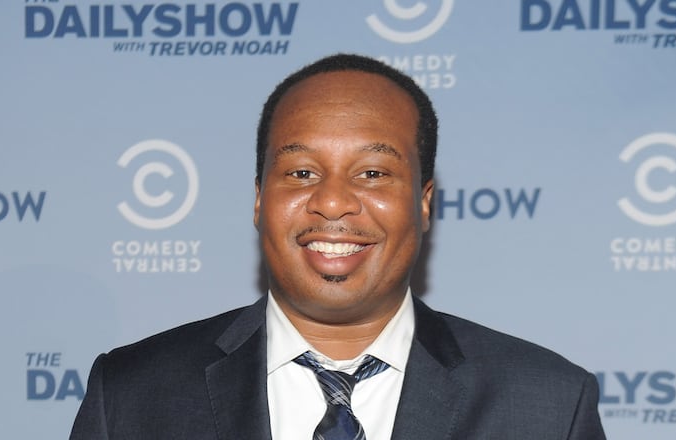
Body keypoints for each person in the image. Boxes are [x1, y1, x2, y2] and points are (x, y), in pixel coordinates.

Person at [70, 53, 606, 439]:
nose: (331, 202)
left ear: (423, 203)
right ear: (259, 199)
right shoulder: (131, 396)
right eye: (301, 172)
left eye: (372, 173)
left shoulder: (548, 406)